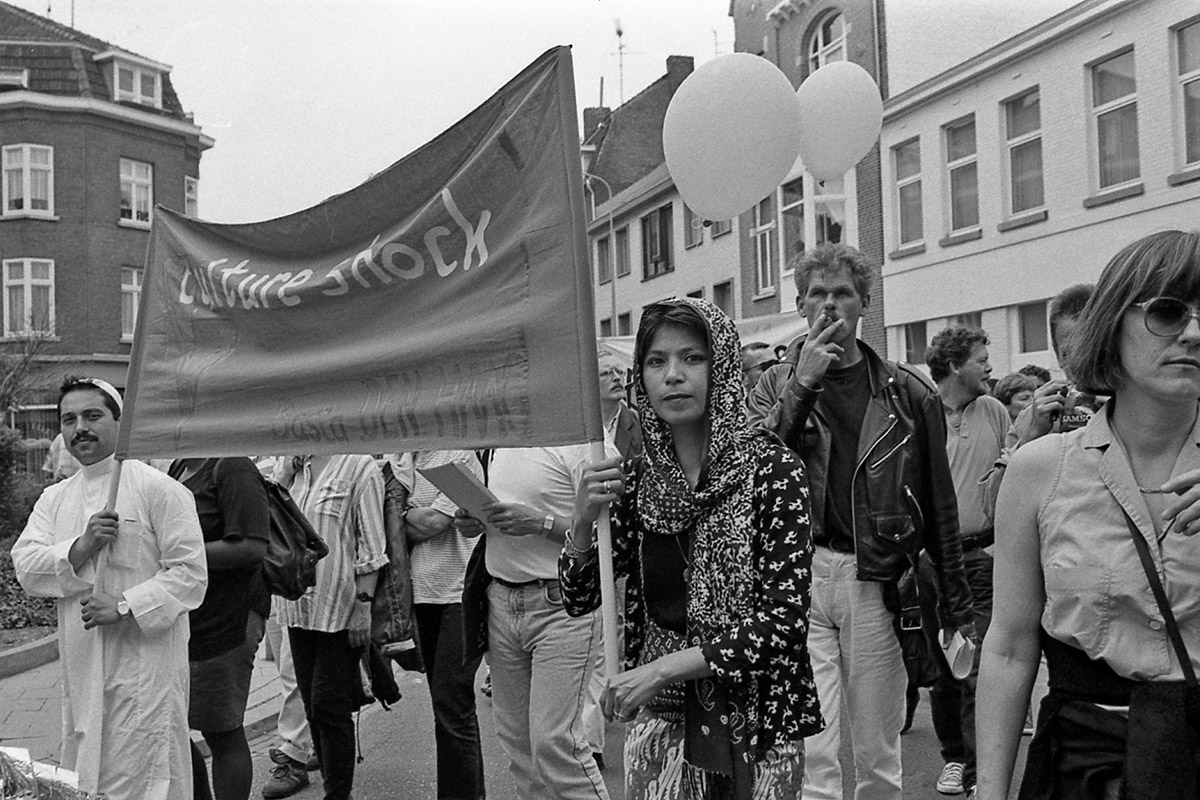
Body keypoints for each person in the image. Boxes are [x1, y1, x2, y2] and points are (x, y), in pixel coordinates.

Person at [561, 297, 821, 799]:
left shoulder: (770, 469)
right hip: (662, 726)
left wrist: (662, 670)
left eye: (692, 358)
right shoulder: (637, 482)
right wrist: (580, 522)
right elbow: (580, 599)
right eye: (656, 362)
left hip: (757, 724)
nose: (672, 376)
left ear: (721, 365)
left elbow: (784, 622)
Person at [977, 230, 1200, 800]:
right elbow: (1008, 647)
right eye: (1169, 313)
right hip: (1085, 771)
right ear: (1111, 323)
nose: (1194, 333)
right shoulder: (1039, 470)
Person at [748, 243, 975, 800]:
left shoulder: (908, 393)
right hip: (797, 578)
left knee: (876, 749)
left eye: (842, 293)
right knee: (813, 749)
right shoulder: (774, 387)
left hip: (876, 580)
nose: (830, 305)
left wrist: (958, 606)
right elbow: (755, 474)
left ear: (864, 304)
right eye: (817, 294)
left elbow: (940, 504)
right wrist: (801, 384)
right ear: (799, 305)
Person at [12, 376, 207, 799]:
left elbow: (191, 574)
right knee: (87, 773)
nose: (80, 427)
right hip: (83, 672)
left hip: (145, 669)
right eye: (69, 419)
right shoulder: (55, 500)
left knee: (148, 775)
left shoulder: (160, 490)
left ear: (120, 422)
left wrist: (123, 605)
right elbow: (26, 565)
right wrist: (80, 546)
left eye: (92, 415)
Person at [454, 403, 619, 799]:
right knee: (518, 746)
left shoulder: (585, 438)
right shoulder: (505, 436)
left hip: (562, 606)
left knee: (554, 744)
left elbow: (616, 539)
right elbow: (505, 514)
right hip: (501, 600)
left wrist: (539, 523)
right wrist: (479, 520)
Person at [924, 327, 1011, 799]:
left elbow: (1008, 471)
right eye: (981, 359)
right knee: (944, 668)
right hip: (933, 560)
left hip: (982, 555)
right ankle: (953, 758)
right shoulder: (923, 411)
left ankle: (979, 772)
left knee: (979, 665)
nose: (989, 367)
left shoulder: (994, 410)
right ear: (956, 365)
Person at [274, 454, 387, 800]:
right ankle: (335, 790)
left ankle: (338, 794)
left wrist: (363, 608)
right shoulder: (296, 466)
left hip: (340, 608)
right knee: (311, 706)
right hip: (297, 606)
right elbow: (273, 517)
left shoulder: (359, 467)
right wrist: (285, 472)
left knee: (328, 705)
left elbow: (372, 544)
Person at [169, 456, 270, 800]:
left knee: (222, 730)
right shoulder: (181, 465)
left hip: (230, 617)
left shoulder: (232, 466)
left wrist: (178, 555)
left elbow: (253, 546)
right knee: (173, 727)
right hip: (189, 616)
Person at [401, 449, 487, 800]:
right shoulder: (402, 457)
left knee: (454, 704)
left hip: (456, 595)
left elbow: (432, 523)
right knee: (443, 705)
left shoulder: (459, 456)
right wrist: (405, 517)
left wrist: (396, 514)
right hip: (418, 595)